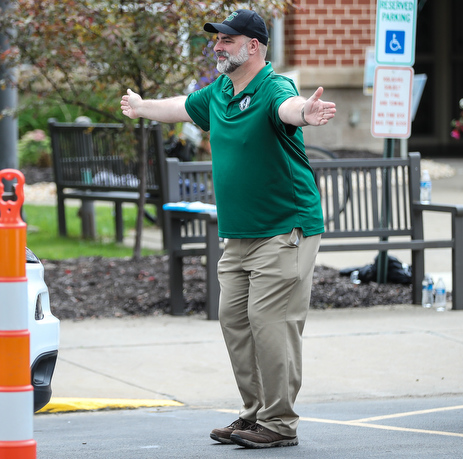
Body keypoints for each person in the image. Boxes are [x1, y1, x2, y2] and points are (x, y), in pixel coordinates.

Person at [121, 9, 335, 449]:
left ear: (252, 46)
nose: (217, 47)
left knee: (270, 321)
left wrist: (305, 112)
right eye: (216, 40)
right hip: (239, 235)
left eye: (227, 40)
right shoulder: (219, 91)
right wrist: (142, 107)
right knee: (234, 318)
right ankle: (255, 413)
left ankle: (279, 423)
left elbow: (288, 108)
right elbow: (181, 107)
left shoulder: (273, 87)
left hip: (285, 229)